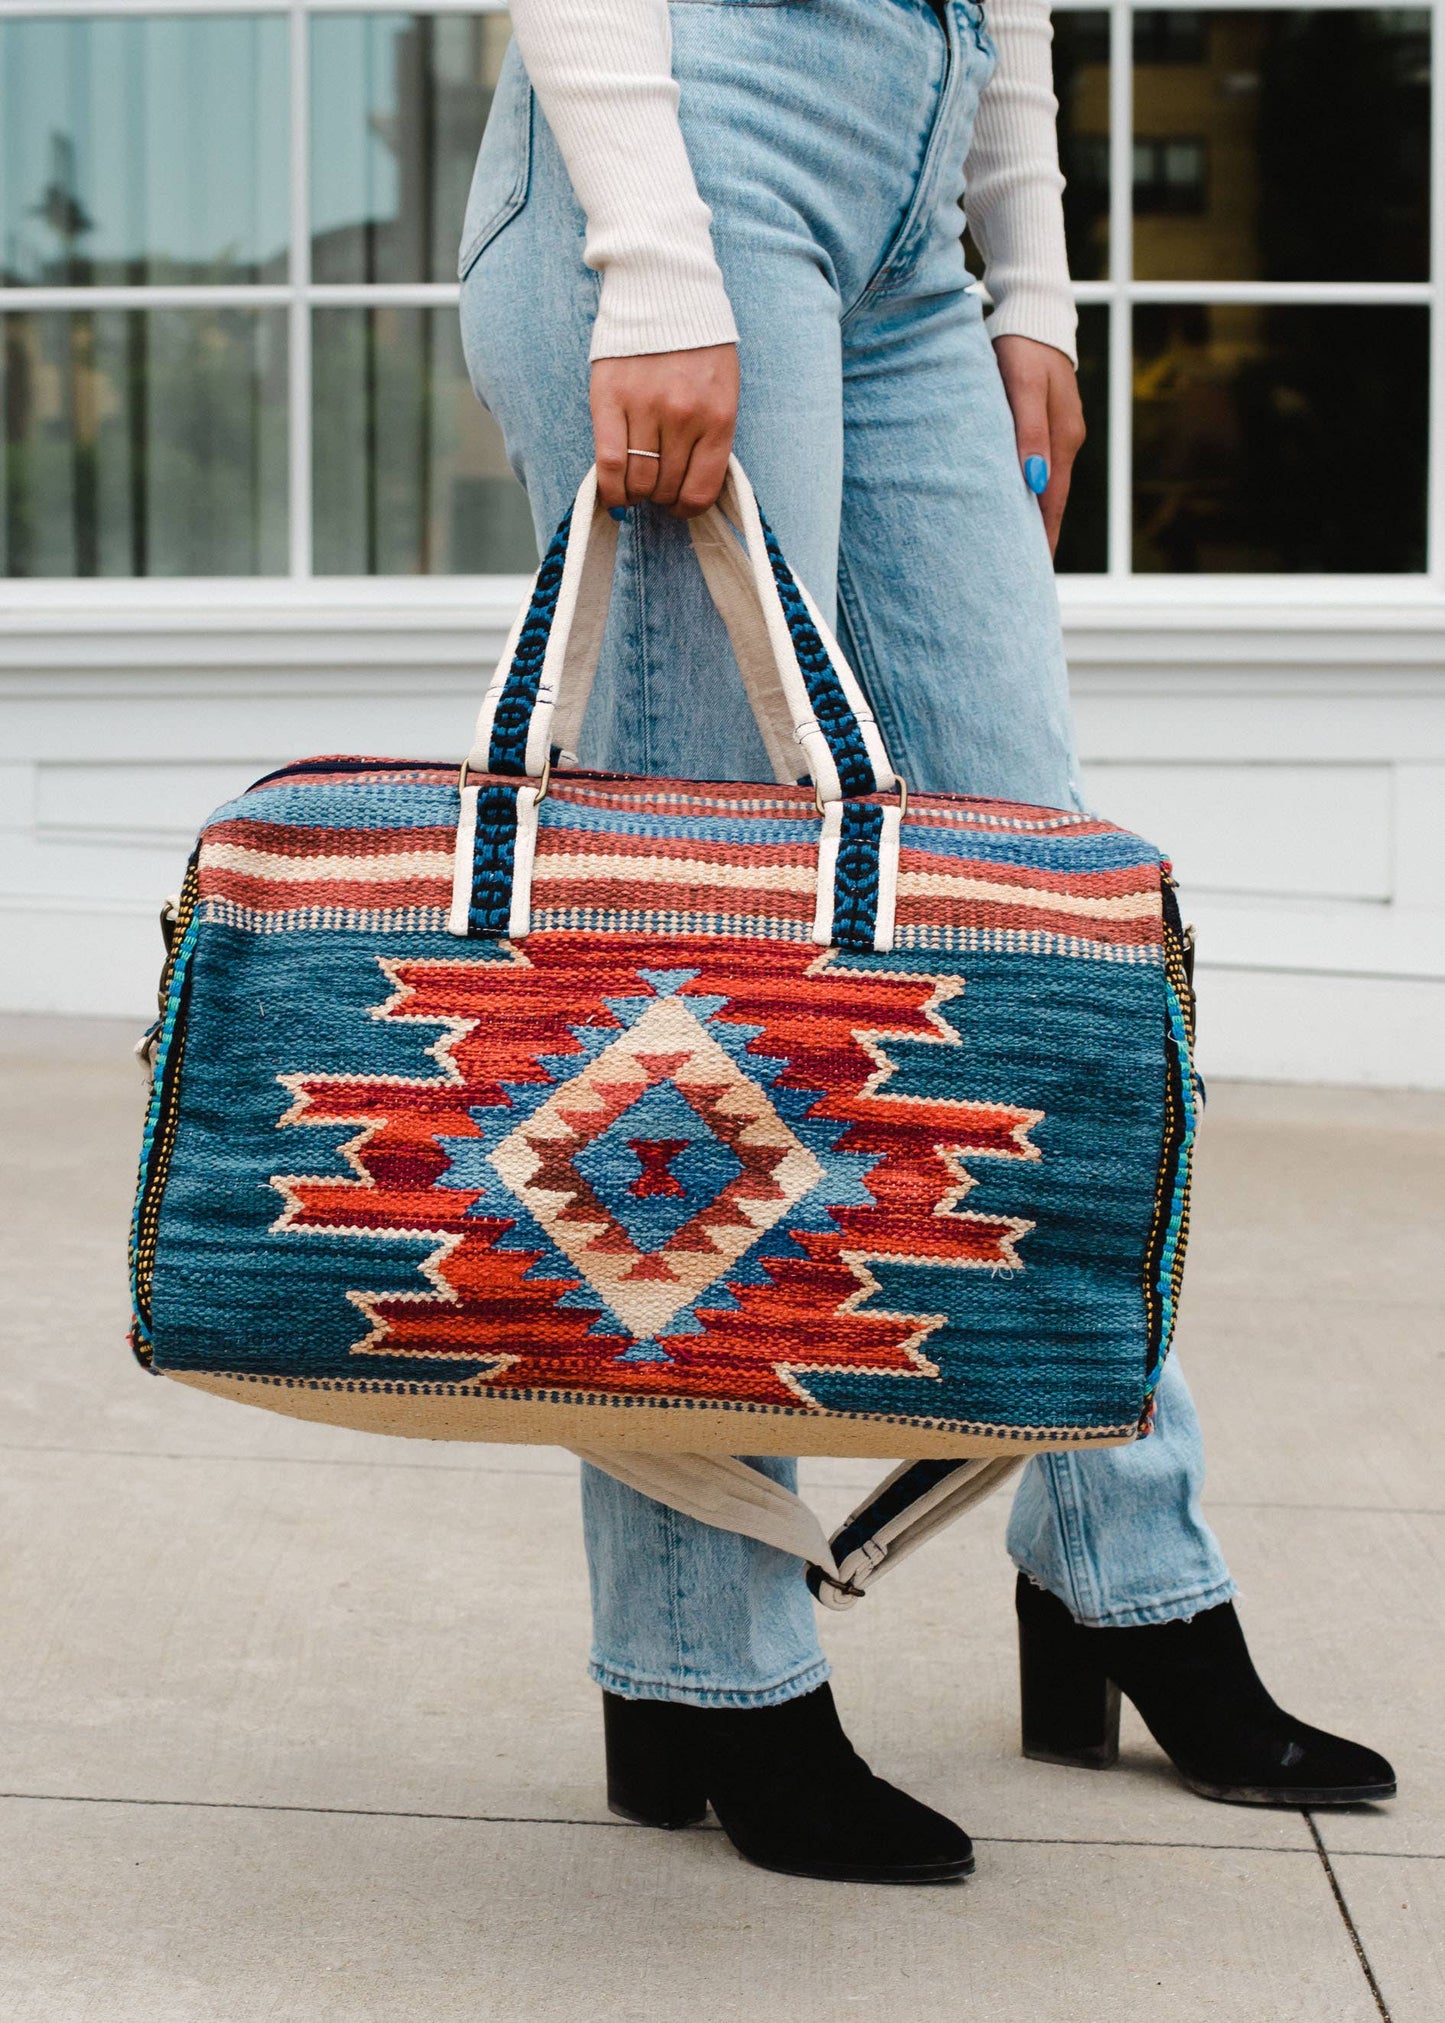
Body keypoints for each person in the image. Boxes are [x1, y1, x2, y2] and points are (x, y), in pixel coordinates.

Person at [458, 0, 1395, 1883]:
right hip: (689, 133)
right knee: (699, 970)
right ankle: (705, 1673)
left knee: (1043, 943)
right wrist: (647, 257)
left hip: (911, 191)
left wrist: (1027, 272)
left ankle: (1122, 1569)